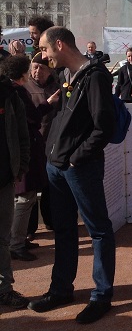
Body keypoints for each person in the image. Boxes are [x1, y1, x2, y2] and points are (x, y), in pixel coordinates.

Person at [28, 26, 116, 324]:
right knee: (64, 230)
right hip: (58, 167)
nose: (42, 55)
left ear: (60, 45)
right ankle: (61, 289)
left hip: (80, 168)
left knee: (99, 231)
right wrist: (55, 156)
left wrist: (77, 159)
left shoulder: (96, 76)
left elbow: (103, 127)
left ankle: (101, 296)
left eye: (45, 48)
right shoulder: (67, 75)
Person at [0, 56, 58, 262]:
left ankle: (18, 240)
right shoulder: (15, 92)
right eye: (31, 69)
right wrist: (48, 103)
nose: (34, 73)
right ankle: (16, 243)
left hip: (26, 151)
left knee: (25, 198)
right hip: (26, 152)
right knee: (25, 198)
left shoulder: (13, 90)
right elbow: (31, 117)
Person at [0, 64, 31, 311]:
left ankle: (3, 290)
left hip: (3, 179)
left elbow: (23, 134)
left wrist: (20, 166)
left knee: (2, 238)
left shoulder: (9, 94)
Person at [24, 53, 59, 237]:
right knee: (29, 190)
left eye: (42, 68)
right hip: (32, 146)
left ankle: (50, 221)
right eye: (34, 67)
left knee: (49, 187)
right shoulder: (24, 87)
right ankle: (29, 230)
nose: (37, 71)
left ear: (50, 70)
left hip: (52, 145)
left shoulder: (57, 86)